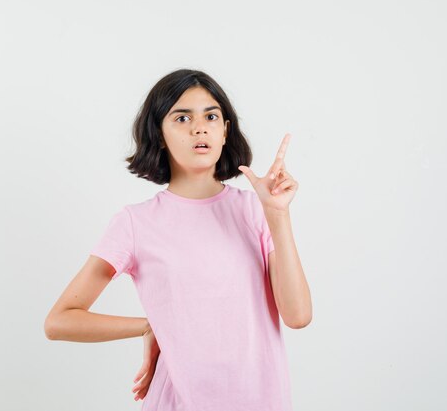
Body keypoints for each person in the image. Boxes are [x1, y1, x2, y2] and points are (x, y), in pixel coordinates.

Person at [43, 68, 312, 411]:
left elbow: (298, 315)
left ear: (225, 131)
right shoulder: (135, 223)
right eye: (182, 117)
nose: (199, 127)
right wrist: (149, 326)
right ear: (159, 134)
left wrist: (278, 214)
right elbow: (60, 320)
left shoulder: (256, 211)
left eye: (211, 116)